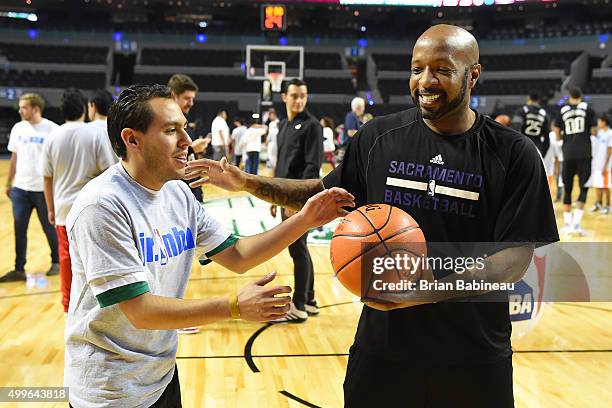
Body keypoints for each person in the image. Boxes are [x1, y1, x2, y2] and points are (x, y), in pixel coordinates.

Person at [185, 24, 559, 407]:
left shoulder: (513, 153)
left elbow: (514, 258)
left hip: (473, 357)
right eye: (417, 69)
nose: (425, 81)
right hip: (384, 353)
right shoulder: (379, 137)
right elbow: (320, 196)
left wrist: (423, 292)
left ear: (473, 74)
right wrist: (246, 180)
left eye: (442, 70)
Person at [64, 84, 354, 407]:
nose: (187, 141)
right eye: (171, 131)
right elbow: (140, 311)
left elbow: (239, 255)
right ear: (132, 139)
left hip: (160, 377)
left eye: (184, 129)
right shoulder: (102, 206)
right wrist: (233, 307)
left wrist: (305, 219)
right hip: (110, 390)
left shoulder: (177, 194)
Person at [41, 89, 116, 311]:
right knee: (97, 257)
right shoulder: (93, 134)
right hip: (91, 208)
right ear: (84, 108)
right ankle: (99, 303)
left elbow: (47, 177)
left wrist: (50, 209)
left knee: (66, 258)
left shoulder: (52, 137)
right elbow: (108, 171)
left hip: (63, 208)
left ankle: (68, 307)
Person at [264, 78, 323, 323]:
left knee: (298, 250)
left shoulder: (312, 126)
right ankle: (309, 300)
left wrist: (296, 202)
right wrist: (273, 195)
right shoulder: (284, 126)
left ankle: (298, 306)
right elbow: (282, 165)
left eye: (303, 96)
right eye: (295, 96)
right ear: (284, 97)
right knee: (299, 249)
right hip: (286, 197)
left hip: (300, 200)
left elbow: (312, 167)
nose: (299, 100)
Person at [1, 93, 60, 284]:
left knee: (48, 227)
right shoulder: (18, 128)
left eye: (23, 107)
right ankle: (19, 269)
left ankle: (56, 262)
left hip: (42, 189)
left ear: (35, 108)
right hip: (20, 188)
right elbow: (14, 158)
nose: (20, 110)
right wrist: (9, 183)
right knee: (19, 228)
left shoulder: (52, 129)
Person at [552, 86, 597, 235]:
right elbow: (594, 129)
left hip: (568, 152)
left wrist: (560, 142)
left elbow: (557, 129)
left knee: (568, 188)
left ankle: (566, 225)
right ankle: (576, 225)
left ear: (570, 96)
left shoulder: (563, 109)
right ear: (581, 96)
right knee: (584, 187)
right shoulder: (588, 108)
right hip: (584, 152)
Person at [168, 74, 208, 202]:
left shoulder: (186, 121)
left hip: (192, 193)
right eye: (187, 98)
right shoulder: (164, 124)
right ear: (174, 96)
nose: (191, 103)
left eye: (192, 99)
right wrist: (192, 148)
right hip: (177, 197)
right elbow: (163, 158)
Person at [511, 90, 550, 157]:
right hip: (537, 149)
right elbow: (546, 139)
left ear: (529, 98)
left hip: (523, 148)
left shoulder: (521, 111)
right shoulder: (544, 114)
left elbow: (515, 130)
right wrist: (542, 154)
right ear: (538, 100)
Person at [589, 114, 612, 214]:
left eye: (599, 121)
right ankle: (598, 203)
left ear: (604, 122)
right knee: (598, 185)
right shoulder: (600, 133)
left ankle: (608, 205)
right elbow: (593, 132)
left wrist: (605, 165)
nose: (598, 123)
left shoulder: (610, 134)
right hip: (597, 164)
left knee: (606, 186)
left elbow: (609, 150)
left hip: (605, 165)